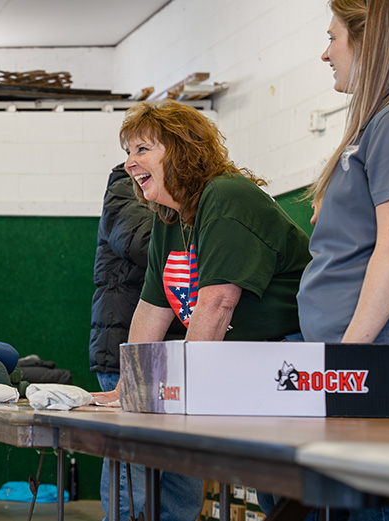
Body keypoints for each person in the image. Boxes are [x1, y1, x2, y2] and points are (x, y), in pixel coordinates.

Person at [92, 100, 311, 521]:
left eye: (142, 150)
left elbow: (217, 303)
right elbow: (151, 308)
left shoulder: (225, 196)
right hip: (249, 358)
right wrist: (128, 387)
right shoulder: (170, 216)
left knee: (285, 491)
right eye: (127, 152)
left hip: (289, 355)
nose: (130, 163)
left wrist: (188, 388)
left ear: (181, 150)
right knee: (270, 487)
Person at [293, 0, 389, 520]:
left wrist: (349, 360)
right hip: (367, 361)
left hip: (382, 360)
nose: (326, 53)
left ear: (370, 42)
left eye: (334, 38)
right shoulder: (379, 122)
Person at [89, 163, 186, 521]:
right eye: (134, 148)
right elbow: (144, 244)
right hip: (126, 353)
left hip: (179, 353)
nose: (135, 157)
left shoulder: (189, 193)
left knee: (183, 482)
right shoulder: (124, 184)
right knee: (132, 490)